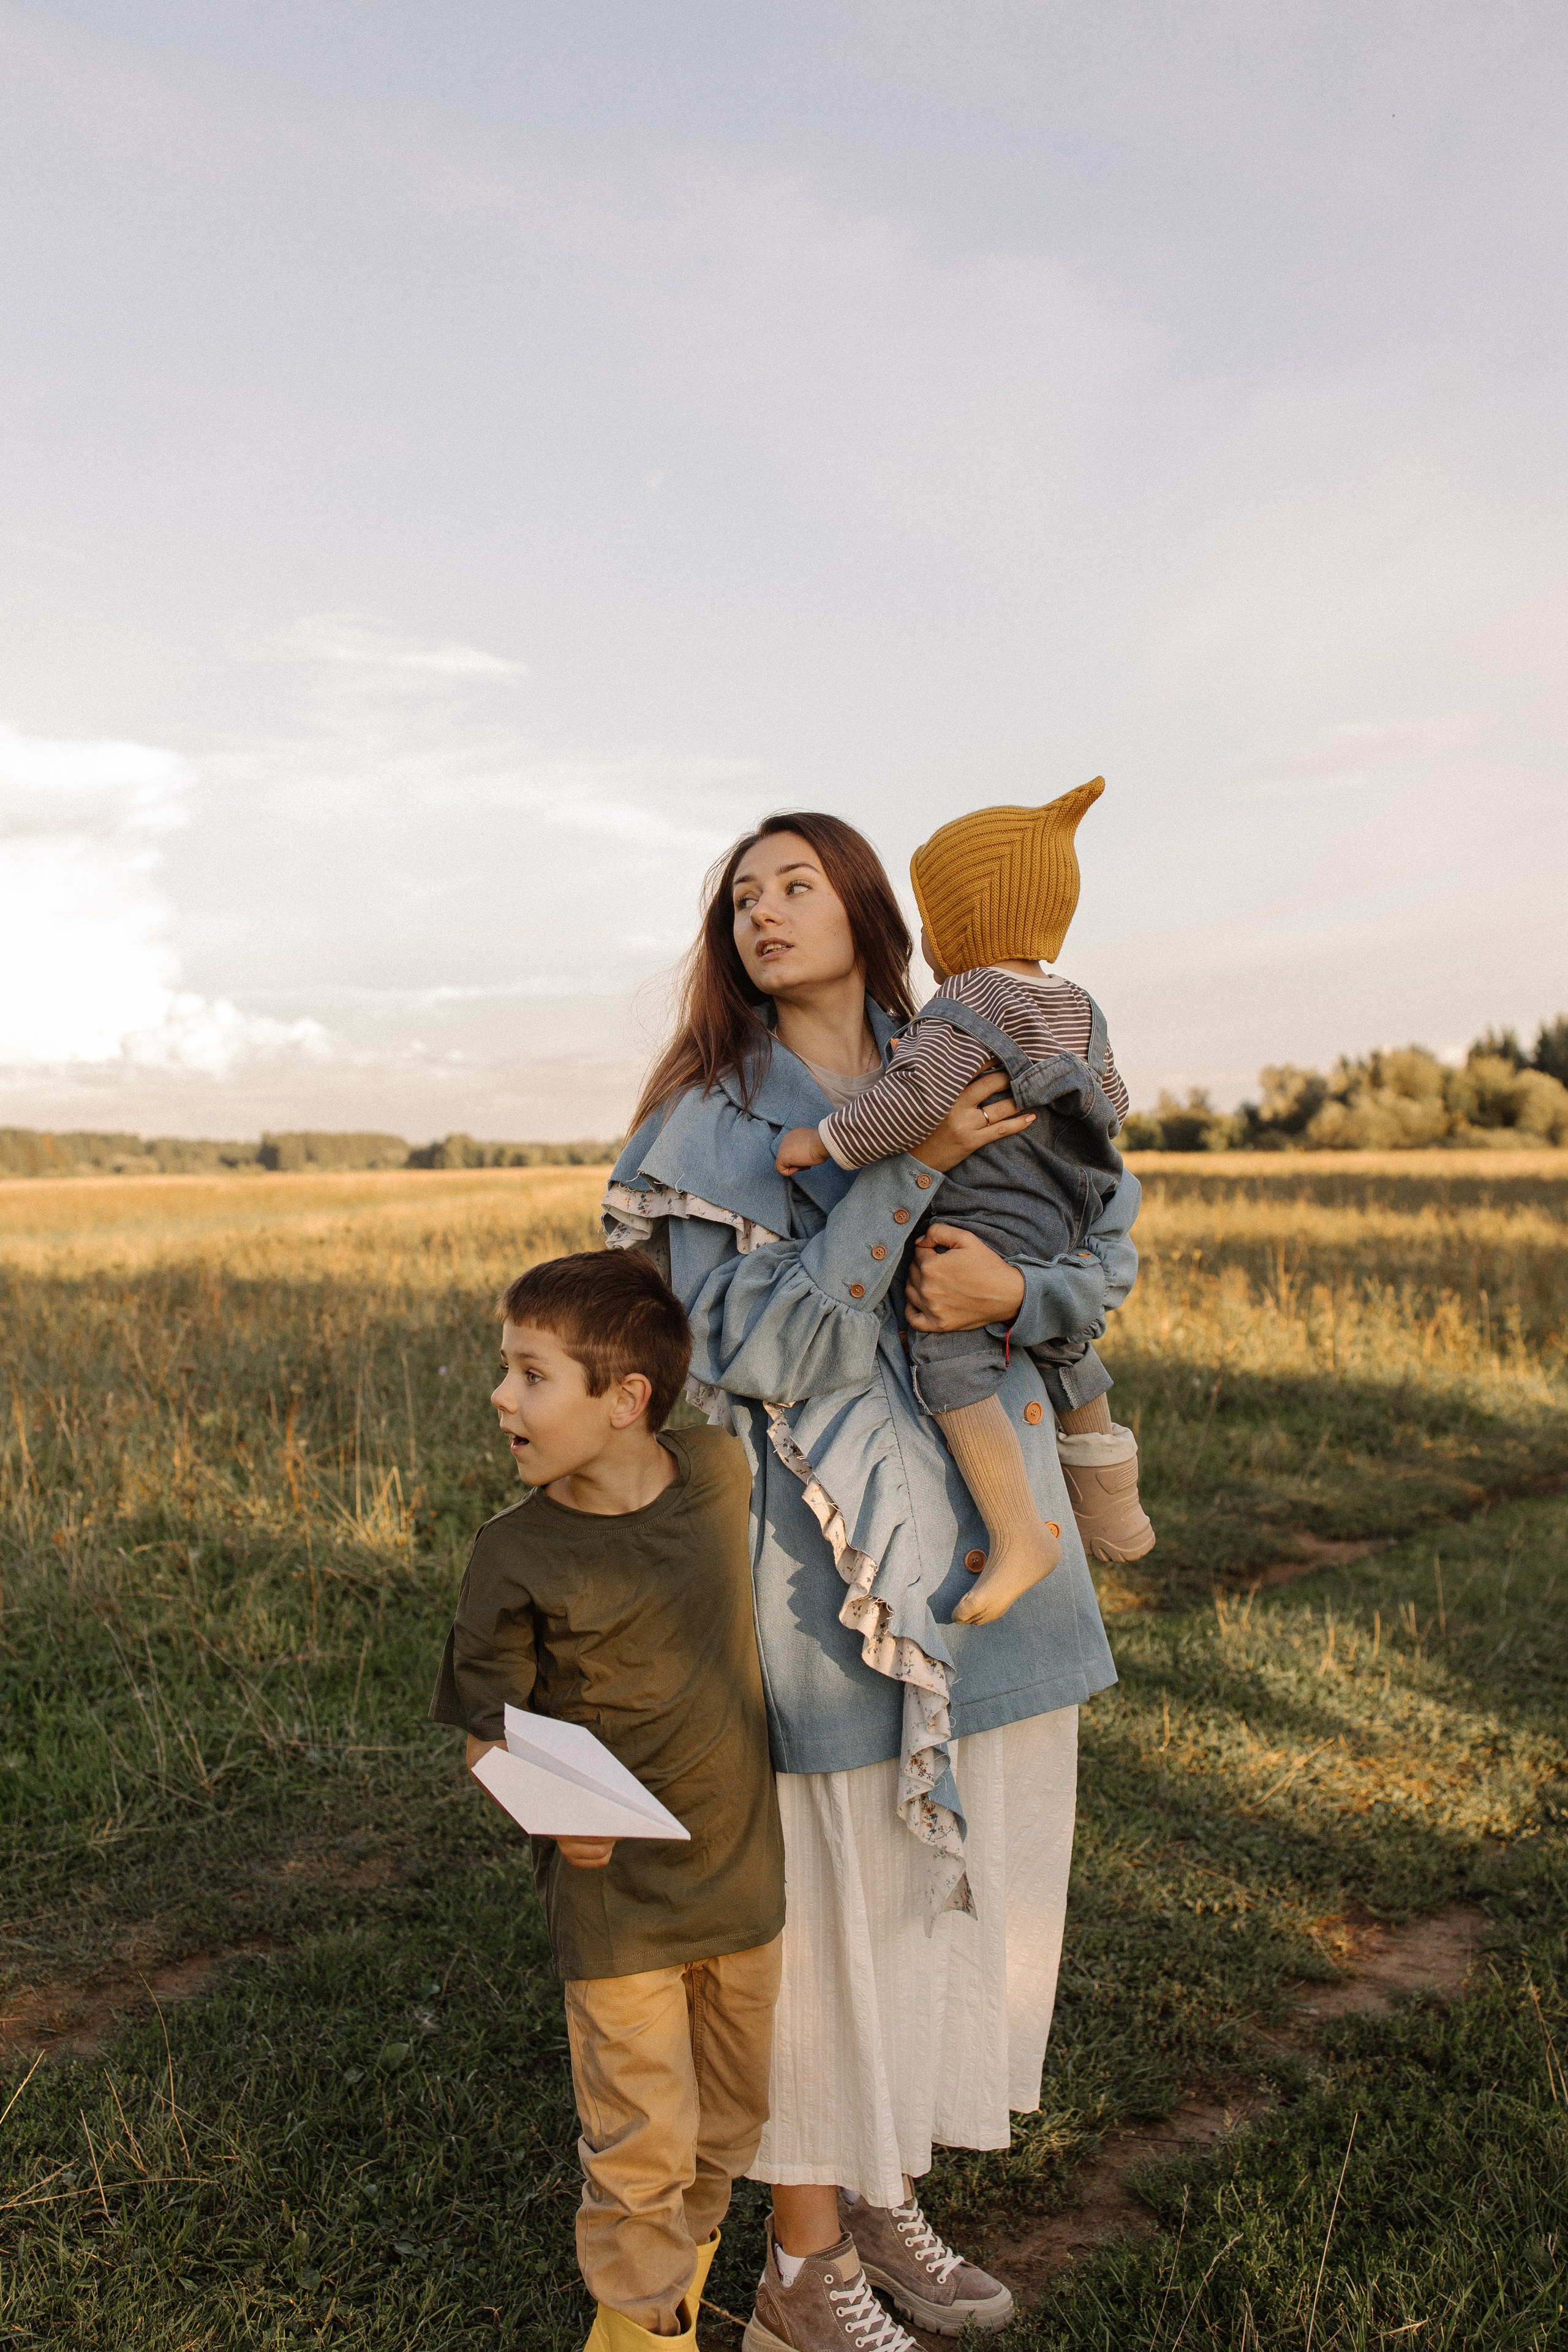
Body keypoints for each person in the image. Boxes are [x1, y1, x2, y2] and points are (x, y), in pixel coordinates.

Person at [602, 812, 1142, 2348]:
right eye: (740, 896)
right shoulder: (711, 1124)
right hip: (829, 1583)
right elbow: (750, 1344)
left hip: (1001, 1554)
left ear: (862, 907)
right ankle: (800, 2268)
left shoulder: (967, 1048)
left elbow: (1102, 1247)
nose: (762, 911)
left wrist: (1015, 1285)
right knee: (834, 1923)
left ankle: (879, 2193)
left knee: (943, 1914)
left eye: (795, 884)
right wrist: (911, 1174)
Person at [429, 1251, 786, 2352]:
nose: (502, 1397)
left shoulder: (720, 1471)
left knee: (726, 2129)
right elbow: (489, 1735)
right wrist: (551, 1808)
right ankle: (639, 2332)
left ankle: (680, 2283)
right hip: (616, 1909)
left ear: (627, 1399)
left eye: (532, 1375)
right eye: (505, 1369)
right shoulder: (513, 1554)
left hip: (741, 1888)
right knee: (641, 2145)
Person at [773, 777, 1155, 1619]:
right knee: (1063, 1340)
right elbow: (1116, 1105)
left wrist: (824, 1141)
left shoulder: (969, 1001)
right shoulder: (1080, 1006)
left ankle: (1020, 1533)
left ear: (960, 923)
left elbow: (912, 1104)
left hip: (992, 1207)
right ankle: (1113, 1498)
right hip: (1068, 1207)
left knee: (950, 1354)